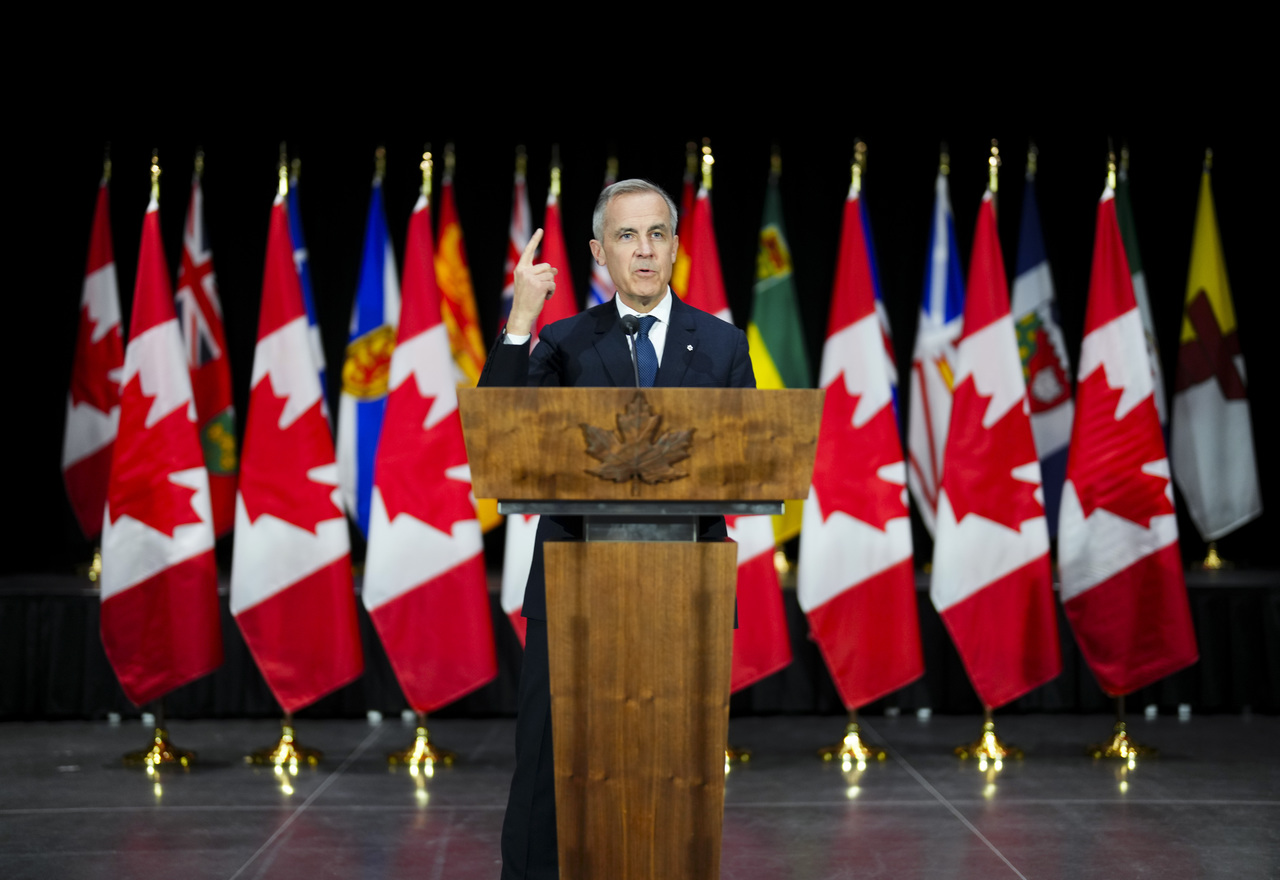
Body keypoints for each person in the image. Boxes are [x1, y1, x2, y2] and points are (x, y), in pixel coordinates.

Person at [479, 179, 755, 879]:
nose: (644, 249)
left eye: (657, 233)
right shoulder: (563, 341)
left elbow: (751, 459)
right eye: (626, 236)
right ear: (599, 252)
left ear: (676, 247)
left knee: (677, 769)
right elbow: (501, 437)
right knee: (549, 768)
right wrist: (521, 319)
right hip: (575, 585)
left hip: (686, 589)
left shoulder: (722, 344)